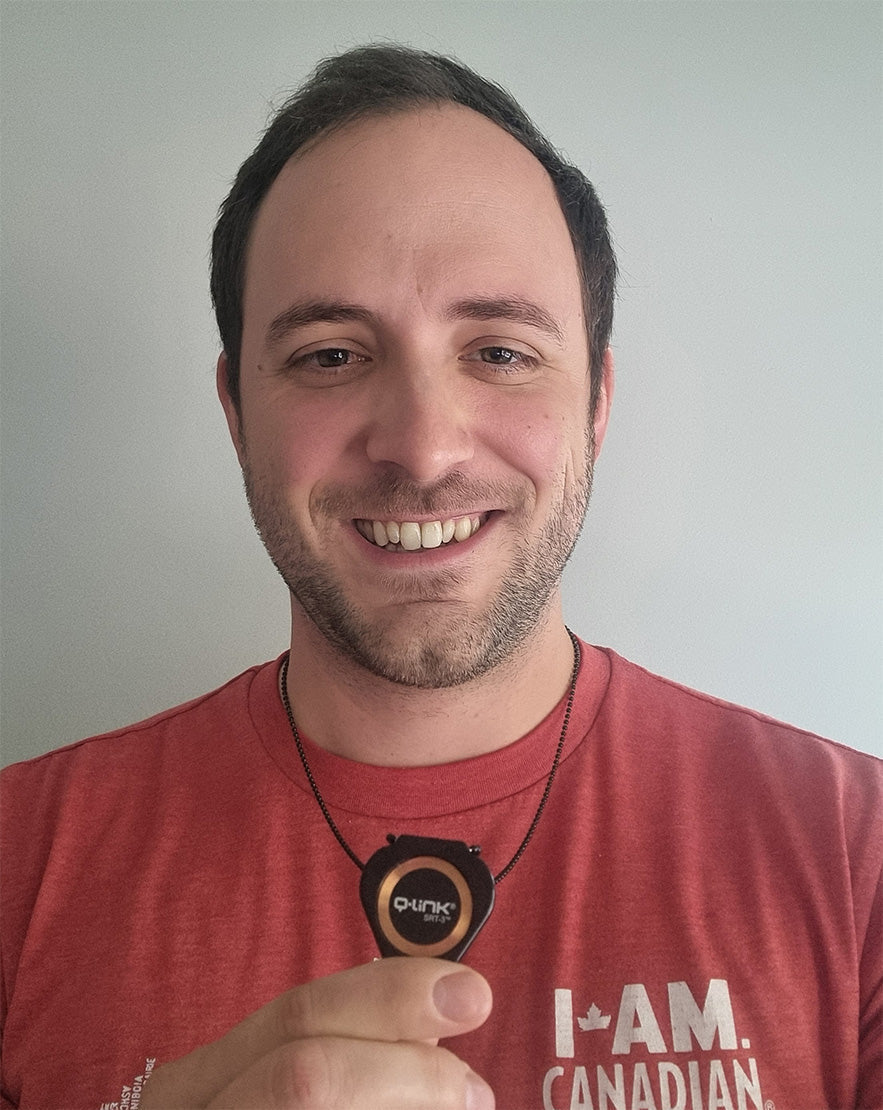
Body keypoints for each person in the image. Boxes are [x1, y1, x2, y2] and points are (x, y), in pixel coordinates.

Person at [1, 43, 880, 1110]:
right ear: (236, 411)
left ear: (596, 404)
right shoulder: (18, 863)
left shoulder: (857, 858)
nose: (422, 450)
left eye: (499, 352)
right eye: (330, 354)